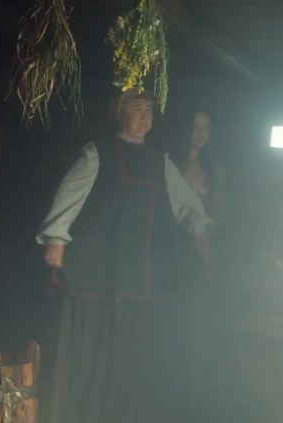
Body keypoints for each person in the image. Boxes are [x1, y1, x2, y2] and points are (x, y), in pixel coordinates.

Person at [36, 89, 213, 423]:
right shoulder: (97, 153)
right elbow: (70, 196)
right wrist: (56, 237)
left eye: (149, 110)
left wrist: (199, 232)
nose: (144, 116)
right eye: (137, 108)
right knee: (98, 345)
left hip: (140, 272)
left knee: (133, 351)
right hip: (103, 270)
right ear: (120, 113)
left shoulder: (159, 160)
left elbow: (186, 204)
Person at [169, 109, 226, 223]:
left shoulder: (214, 169)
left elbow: (217, 212)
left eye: (206, 128)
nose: (201, 132)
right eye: (196, 126)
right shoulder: (170, 164)